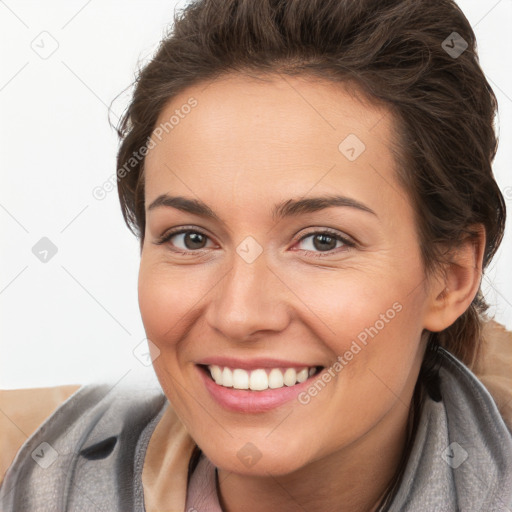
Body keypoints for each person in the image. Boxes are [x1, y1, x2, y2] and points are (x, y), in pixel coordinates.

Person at [1, 0, 512, 510]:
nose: (239, 314)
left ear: (451, 277)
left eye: (322, 241)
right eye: (192, 238)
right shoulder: (32, 483)